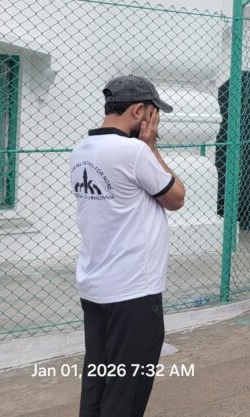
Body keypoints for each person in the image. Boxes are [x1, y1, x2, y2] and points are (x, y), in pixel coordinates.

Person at [73, 76, 185, 417]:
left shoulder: (82, 149)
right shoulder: (134, 152)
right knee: (127, 390)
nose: (155, 122)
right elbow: (176, 197)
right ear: (138, 111)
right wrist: (150, 146)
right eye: (153, 113)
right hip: (133, 292)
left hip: (95, 286)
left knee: (98, 379)